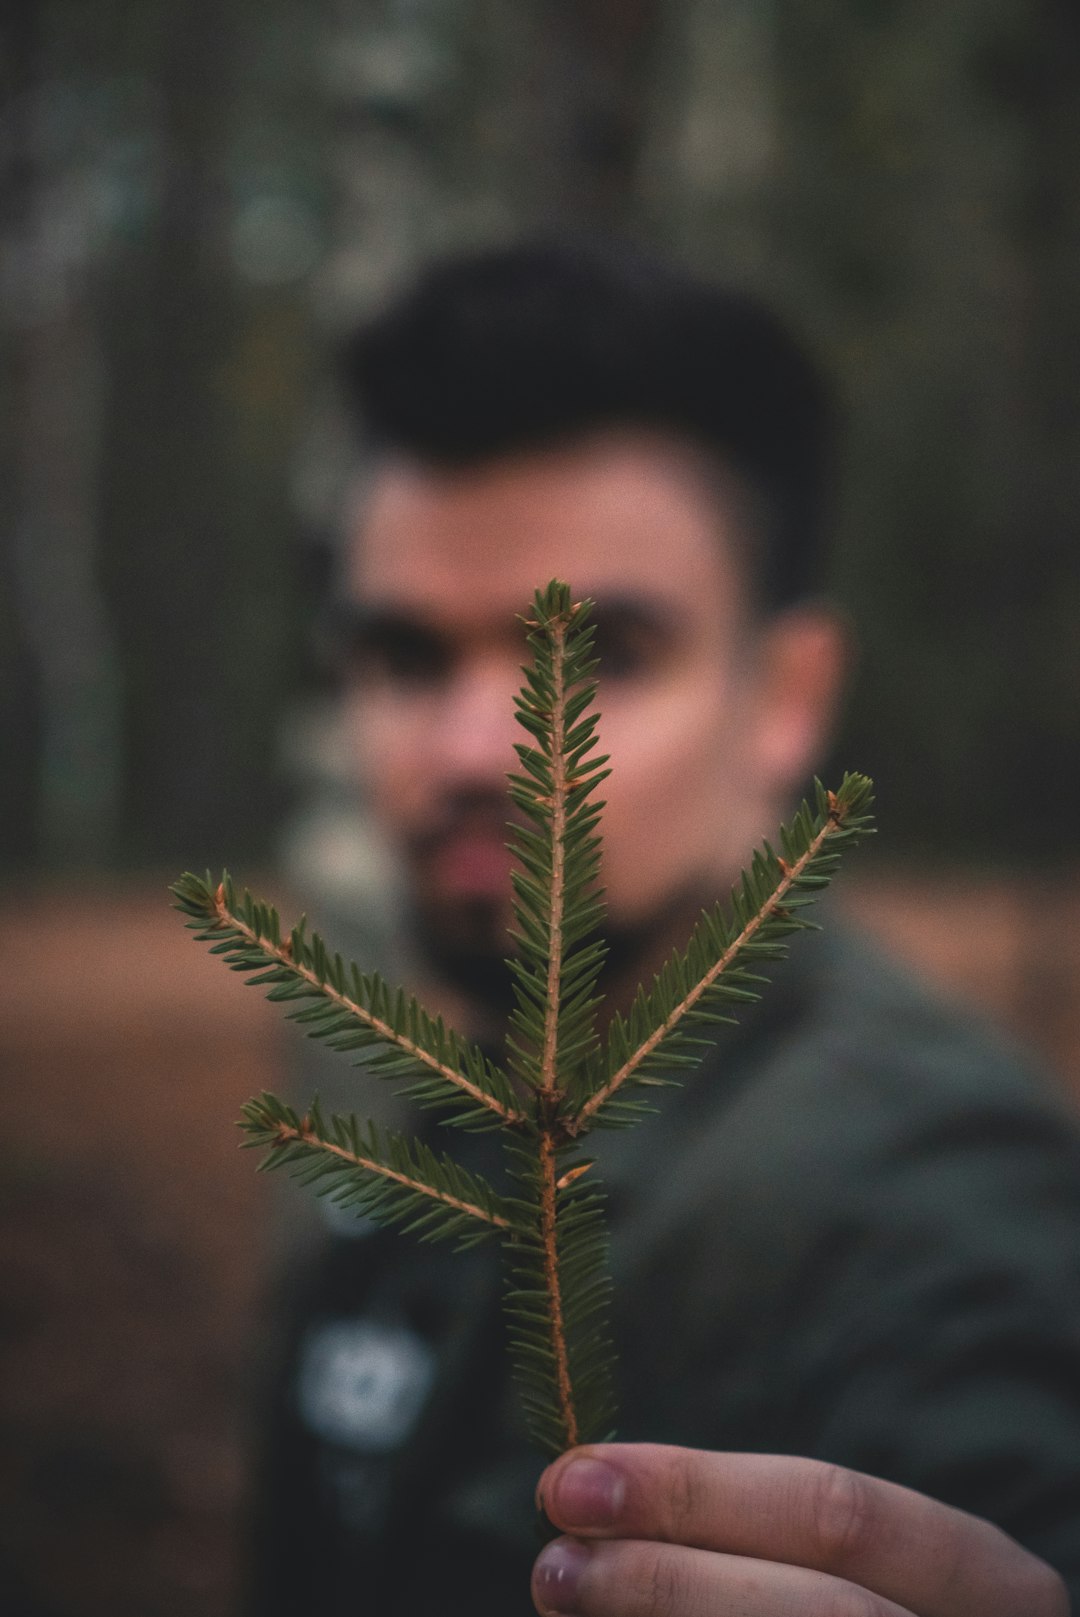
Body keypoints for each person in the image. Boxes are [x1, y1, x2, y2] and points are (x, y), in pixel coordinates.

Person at [248, 240, 1079, 1616]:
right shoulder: (441, 1085)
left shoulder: (919, 1183)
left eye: (601, 657)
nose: (471, 748)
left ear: (789, 696)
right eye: (406, 655)